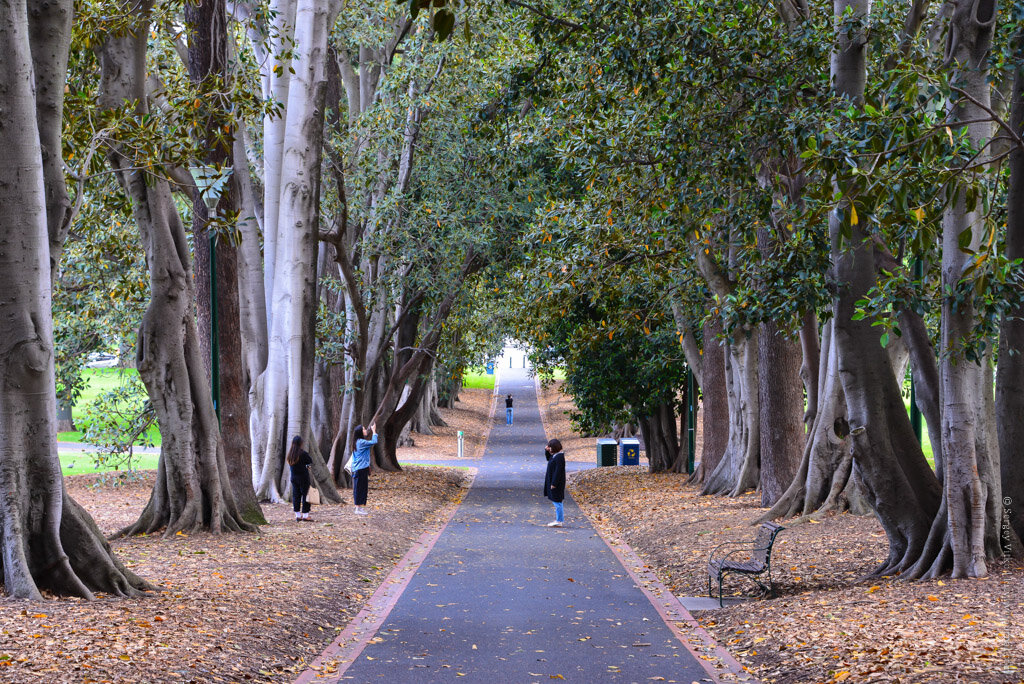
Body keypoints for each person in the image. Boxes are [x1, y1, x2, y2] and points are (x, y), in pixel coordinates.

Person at [349, 423, 377, 516]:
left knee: (362, 488)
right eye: (364, 429)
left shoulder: (357, 441)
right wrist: (374, 431)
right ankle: (357, 508)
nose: (366, 431)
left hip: (361, 468)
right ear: (360, 432)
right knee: (359, 488)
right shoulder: (361, 442)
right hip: (360, 469)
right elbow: (374, 441)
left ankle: (359, 507)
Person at [286, 435, 313, 521]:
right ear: (301, 443)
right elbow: (309, 463)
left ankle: (297, 515)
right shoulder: (303, 453)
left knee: (296, 495)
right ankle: (305, 515)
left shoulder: (290, 454)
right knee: (306, 495)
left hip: (294, 478)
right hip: (303, 477)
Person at [543, 438, 566, 527]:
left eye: (550, 447)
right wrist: (546, 450)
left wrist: (554, 483)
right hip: (553, 481)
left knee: (557, 501)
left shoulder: (560, 457)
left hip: (557, 483)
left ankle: (559, 520)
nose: (550, 449)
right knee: (556, 501)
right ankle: (559, 519)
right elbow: (549, 459)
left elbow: (558, 471)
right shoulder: (555, 455)